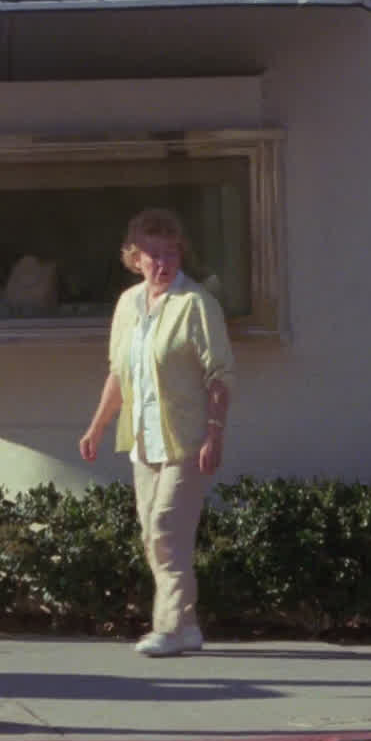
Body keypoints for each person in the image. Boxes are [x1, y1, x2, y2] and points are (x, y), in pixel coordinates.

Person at [78, 208, 234, 658]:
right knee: (154, 533)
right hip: (143, 438)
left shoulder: (197, 304)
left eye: (170, 253)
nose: (162, 263)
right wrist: (96, 427)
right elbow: (119, 373)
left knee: (166, 527)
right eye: (152, 254)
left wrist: (215, 434)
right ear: (134, 257)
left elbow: (220, 375)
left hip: (185, 438)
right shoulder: (128, 305)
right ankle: (186, 625)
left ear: (182, 253)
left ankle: (168, 626)